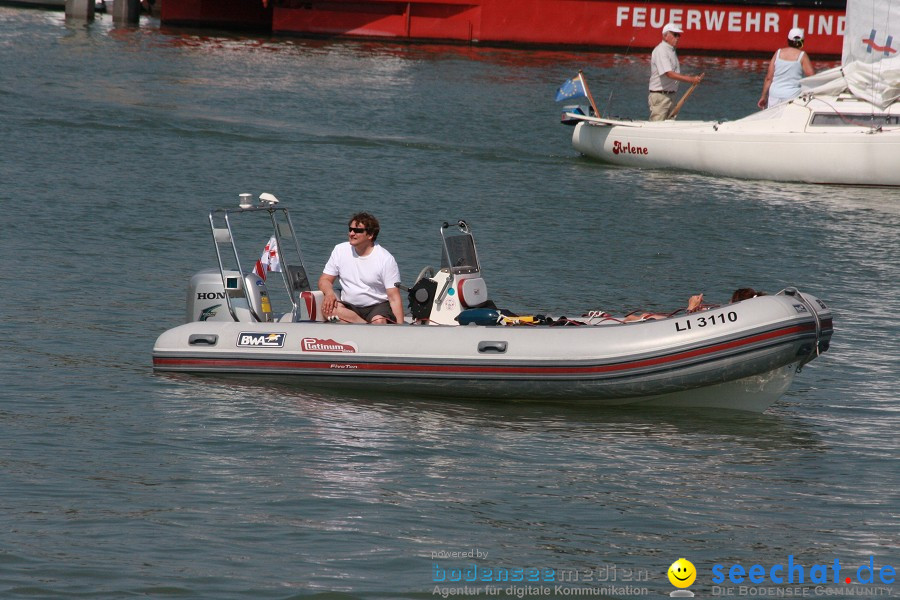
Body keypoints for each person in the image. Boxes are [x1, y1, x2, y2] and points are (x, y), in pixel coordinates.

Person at [318, 213, 405, 324]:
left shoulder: (386, 259)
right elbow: (325, 280)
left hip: (377, 306)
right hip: (350, 306)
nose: (352, 233)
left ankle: (363, 326)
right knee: (328, 310)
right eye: (350, 229)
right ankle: (363, 325)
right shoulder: (339, 250)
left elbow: (394, 297)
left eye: (357, 231)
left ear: (370, 235)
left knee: (379, 321)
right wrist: (329, 293)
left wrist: (400, 327)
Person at [648, 22, 704, 121]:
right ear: (665, 36)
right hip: (660, 97)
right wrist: (691, 79)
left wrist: (690, 77)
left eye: (679, 35)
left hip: (671, 96)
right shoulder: (661, 50)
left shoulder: (671, 51)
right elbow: (669, 73)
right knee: (656, 127)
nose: (678, 37)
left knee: (668, 126)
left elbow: (674, 72)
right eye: (675, 35)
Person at [757, 28, 815, 109]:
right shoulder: (802, 55)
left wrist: (763, 96)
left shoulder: (778, 53)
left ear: (788, 40)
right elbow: (812, 78)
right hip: (792, 95)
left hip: (774, 95)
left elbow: (769, 78)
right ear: (802, 41)